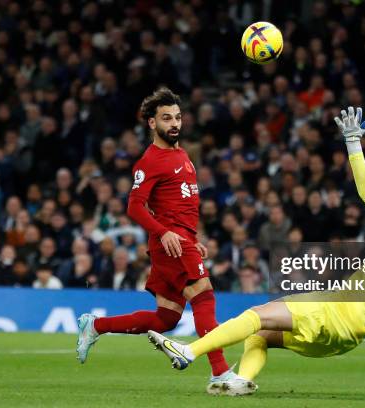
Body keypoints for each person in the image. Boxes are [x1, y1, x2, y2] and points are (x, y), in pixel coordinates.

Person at [147, 106, 365, 396]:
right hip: (348, 340)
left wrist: (353, 142)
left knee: (256, 315)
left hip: (333, 312)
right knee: (260, 335)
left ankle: (187, 351)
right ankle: (240, 381)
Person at [76, 88, 237, 393]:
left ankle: (95, 326)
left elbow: (181, 203)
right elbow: (134, 206)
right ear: (152, 123)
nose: (174, 123)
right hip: (169, 242)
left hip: (180, 240)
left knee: (166, 319)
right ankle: (220, 373)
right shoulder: (149, 161)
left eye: (177, 117)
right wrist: (165, 232)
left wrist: (193, 236)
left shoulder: (181, 154)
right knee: (203, 296)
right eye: (166, 118)